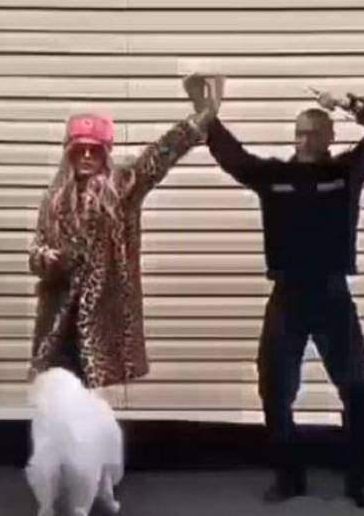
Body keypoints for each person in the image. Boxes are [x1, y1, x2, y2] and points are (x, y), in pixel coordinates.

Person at [205, 81, 364, 508]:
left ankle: (359, 481)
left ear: (330, 137)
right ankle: (289, 478)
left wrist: (347, 103)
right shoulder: (275, 177)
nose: (305, 141)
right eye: (299, 134)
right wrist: (207, 117)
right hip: (287, 298)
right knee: (274, 390)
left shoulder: (345, 173)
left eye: (314, 133)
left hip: (332, 297)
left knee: (358, 390)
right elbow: (233, 157)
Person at [28, 76, 223, 392]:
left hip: (103, 315)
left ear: (104, 154)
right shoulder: (55, 199)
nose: (87, 157)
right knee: (57, 390)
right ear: (70, 155)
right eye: (80, 151)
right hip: (58, 315)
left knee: (84, 391)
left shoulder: (123, 188)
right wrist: (45, 258)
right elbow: (37, 249)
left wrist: (198, 120)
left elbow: (159, 155)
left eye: (94, 151)